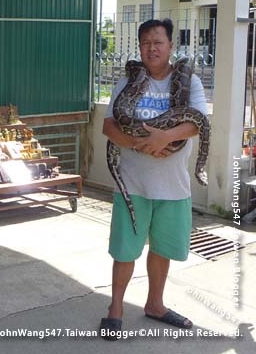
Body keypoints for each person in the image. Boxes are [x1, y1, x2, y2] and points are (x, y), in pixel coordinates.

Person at [100, 19, 208, 340]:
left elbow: (198, 122)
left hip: (173, 185)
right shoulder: (126, 83)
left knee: (161, 249)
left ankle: (155, 304)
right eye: (146, 43)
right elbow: (109, 127)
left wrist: (164, 138)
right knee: (125, 249)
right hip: (133, 184)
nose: (152, 48)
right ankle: (115, 308)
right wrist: (139, 143)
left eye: (158, 42)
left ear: (171, 45)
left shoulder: (189, 81)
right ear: (140, 47)